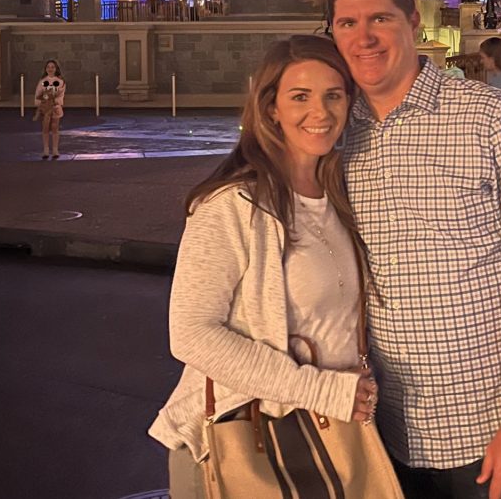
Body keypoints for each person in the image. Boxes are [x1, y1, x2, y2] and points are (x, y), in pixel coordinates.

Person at [328, 0, 501, 499]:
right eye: (347, 24)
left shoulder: (487, 116)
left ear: (413, 22)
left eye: (380, 19)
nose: (363, 38)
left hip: (485, 426)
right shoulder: (338, 131)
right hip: (384, 425)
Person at [148, 36, 379, 497]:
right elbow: (192, 333)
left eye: (334, 95)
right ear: (270, 108)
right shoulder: (231, 205)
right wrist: (320, 390)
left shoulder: (339, 198)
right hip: (244, 445)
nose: (321, 112)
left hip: (326, 436)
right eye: (300, 97)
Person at [33, 60, 66, 159]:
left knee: (55, 128)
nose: (50, 69)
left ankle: (55, 149)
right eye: (48, 67)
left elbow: (61, 95)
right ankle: (46, 149)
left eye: (52, 67)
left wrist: (55, 101)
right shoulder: (42, 81)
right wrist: (42, 102)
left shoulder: (60, 82)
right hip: (45, 108)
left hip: (55, 107)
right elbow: (38, 95)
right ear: (46, 69)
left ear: (56, 69)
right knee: (45, 128)